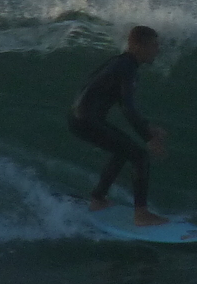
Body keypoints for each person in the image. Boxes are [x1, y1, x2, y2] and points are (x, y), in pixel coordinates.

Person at [67, 25, 169, 226]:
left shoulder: (119, 62)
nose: (157, 49)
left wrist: (147, 127)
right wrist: (149, 138)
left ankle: (98, 199)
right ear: (138, 46)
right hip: (87, 120)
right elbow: (128, 108)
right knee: (139, 156)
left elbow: (122, 104)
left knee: (124, 150)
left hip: (79, 118)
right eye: (154, 45)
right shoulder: (128, 68)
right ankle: (141, 215)